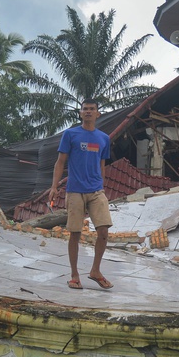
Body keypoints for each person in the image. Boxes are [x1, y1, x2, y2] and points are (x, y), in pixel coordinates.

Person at [48, 98, 114, 290]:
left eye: (92, 109)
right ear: (80, 113)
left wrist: (102, 186)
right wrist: (54, 187)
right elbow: (60, 162)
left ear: (97, 114)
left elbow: (102, 164)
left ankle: (95, 271)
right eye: (85, 109)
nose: (88, 112)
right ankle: (75, 275)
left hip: (95, 191)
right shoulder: (70, 134)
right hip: (75, 190)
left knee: (103, 230)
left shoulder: (104, 138)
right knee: (75, 234)